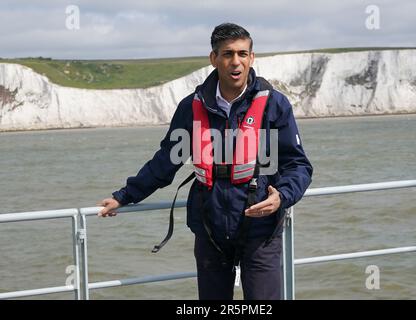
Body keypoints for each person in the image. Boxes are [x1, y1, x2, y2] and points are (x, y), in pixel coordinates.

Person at [98, 23, 313, 300]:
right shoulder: (192, 107)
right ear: (214, 59)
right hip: (210, 230)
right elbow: (166, 161)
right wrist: (124, 196)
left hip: (261, 231)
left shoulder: (274, 105)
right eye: (227, 54)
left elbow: (298, 165)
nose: (236, 62)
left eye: (242, 53)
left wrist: (282, 196)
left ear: (252, 57)